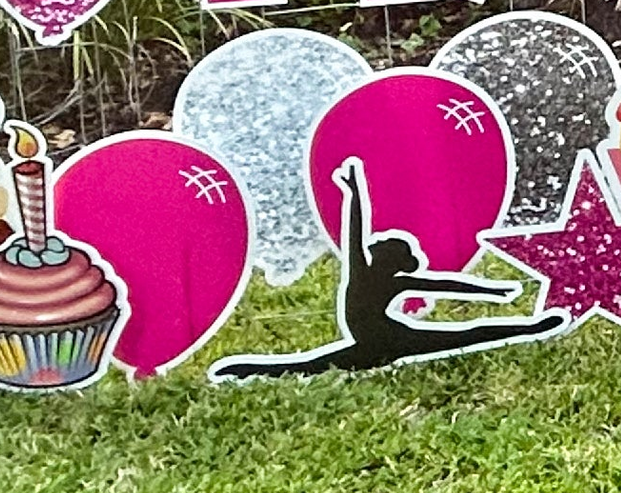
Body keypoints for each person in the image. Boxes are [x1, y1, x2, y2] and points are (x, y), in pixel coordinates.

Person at [211, 161, 570, 381]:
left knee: (468, 335)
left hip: (384, 340)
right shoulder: (362, 271)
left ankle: (535, 327)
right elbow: (355, 231)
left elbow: (443, 283)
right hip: (378, 343)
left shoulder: (389, 278)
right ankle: (238, 371)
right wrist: (353, 193)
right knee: (306, 366)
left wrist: (493, 292)